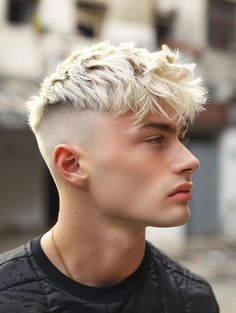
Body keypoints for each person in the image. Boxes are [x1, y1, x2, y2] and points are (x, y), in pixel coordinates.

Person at [0, 41, 219, 313]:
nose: (191, 160)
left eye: (181, 137)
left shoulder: (191, 300)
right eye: (155, 139)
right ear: (72, 164)